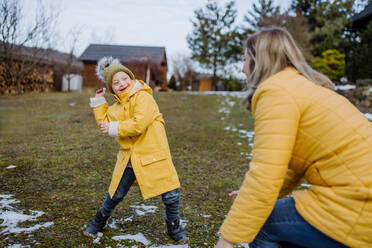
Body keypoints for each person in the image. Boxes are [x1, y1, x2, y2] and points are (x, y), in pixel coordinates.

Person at [215, 27, 372, 248]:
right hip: (360, 197)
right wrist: (250, 195)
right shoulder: (301, 87)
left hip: (357, 203)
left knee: (262, 224)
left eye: (245, 60)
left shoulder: (276, 93)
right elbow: (287, 166)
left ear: (259, 61)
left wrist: (227, 240)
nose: (242, 69)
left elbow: (265, 176)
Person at [83, 57, 188, 244]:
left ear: (131, 78)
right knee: (116, 192)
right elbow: (106, 122)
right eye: (115, 83)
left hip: (154, 154)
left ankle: (174, 225)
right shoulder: (116, 108)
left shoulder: (143, 96)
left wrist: (115, 128)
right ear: (112, 88)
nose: (122, 83)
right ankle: (100, 218)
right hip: (130, 157)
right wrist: (99, 103)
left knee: (171, 192)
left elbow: (139, 123)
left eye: (124, 78)